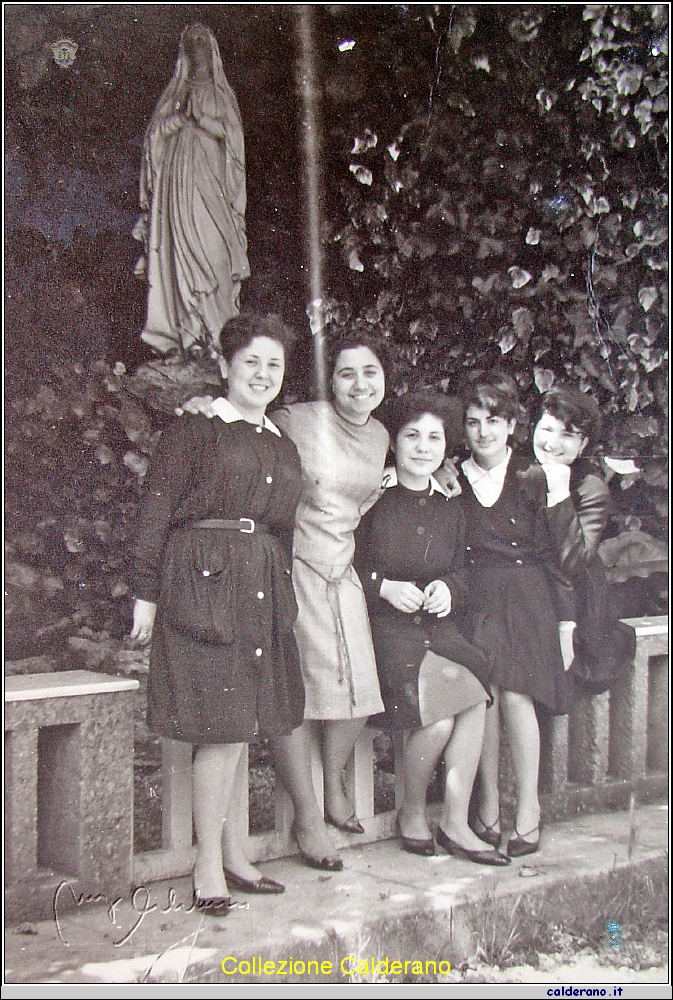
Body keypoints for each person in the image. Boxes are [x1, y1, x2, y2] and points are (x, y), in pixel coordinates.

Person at [131, 314, 337, 915]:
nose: (263, 374)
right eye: (251, 361)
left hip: (261, 586)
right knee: (221, 726)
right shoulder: (194, 428)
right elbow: (155, 512)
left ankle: (236, 855)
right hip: (203, 580)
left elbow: (284, 528)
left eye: (274, 365)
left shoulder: (280, 442)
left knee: (242, 719)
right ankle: (207, 866)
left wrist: (286, 597)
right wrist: (145, 593)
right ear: (225, 366)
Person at [354, 393, 509, 866]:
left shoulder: (450, 508)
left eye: (434, 437)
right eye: (412, 435)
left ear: (446, 446)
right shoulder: (371, 501)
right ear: (394, 443)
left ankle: (457, 821)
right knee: (444, 714)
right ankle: (413, 812)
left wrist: (447, 588)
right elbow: (343, 565)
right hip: (388, 633)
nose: (423, 447)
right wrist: (383, 588)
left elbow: (463, 573)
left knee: (476, 692)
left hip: (437, 634)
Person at [272, 334, 389, 835]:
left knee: (360, 690)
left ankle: (334, 779)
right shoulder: (297, 420)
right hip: (296, 567)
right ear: (330, 382)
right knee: (297, 694)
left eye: (369, 372)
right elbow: (239, 424)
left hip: (343, 572)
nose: (359, 384)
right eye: (347, 374)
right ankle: (307, 813)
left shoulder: (383, 435)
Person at [458, 375, 567, 859]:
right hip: (477, 597)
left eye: (494, 422)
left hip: (526, 597)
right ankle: (488, 808)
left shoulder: (532, 476)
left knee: (518, 696)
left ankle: (528, 810)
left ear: (512, 426)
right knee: (485, 699)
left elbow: (556, 554)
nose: (483, 432)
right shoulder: (451, 478)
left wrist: (566, 621)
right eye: (474, 422)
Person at [138, 23, 250, 355]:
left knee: (214, 252)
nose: (197, 48)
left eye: (203, 42)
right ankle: (185, 337)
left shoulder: (220, 95)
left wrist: (202, 121)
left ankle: (215, 336)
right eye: (190, 43)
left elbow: (234, 141)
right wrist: (177, 120)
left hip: (210, 188)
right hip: (176, 187)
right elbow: (154, 138)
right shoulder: (174, 93)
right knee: (177, 255)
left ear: (211, 49)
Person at [525, 386, 635, 694]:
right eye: (547, 429)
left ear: (584, 443)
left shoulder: (591, 487)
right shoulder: (526, 474)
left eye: (568, 435)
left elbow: (574, 561)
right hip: (532, 598)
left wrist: (560, 494)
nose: (553, 443)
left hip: (577, 608)